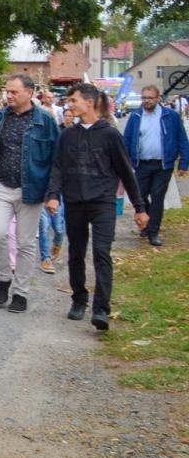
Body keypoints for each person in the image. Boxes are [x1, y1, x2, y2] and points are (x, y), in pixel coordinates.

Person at [50, 83, 149, 332]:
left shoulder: (109, 134)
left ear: (90, 102)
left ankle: (101, 309)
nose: (69, 105)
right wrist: (53, 195)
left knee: (102, 253)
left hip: (103, 201)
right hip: (75, 201)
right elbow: (58, 168)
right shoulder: (67, 135)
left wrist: (140, 207)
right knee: (76, 253)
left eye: (73, 101)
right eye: (68, 101)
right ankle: (79, 299)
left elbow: (126, 171)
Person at [0, 73, 61, 313]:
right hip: (0, 184)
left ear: (30, 92)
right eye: (8, 91)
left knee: (25, 242)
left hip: (31, 188)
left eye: (14, 92)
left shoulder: (45, 121)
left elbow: (56, 159)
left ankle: (21, 292)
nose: (9, 96)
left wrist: (53, 192)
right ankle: (4, 277)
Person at [122, 85, 189, 248]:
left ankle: (153, 232)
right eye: (144, 98)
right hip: (141, 164)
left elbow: (182, 139)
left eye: (150, 98)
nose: (146, 101)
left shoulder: (170, 116)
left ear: (158, 98)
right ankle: (147, 220)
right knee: (140, 196)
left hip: (163, 164)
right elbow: (126, 140)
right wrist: (124, 162)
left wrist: (184, 163)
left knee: (158, 197)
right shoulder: (136, 116)